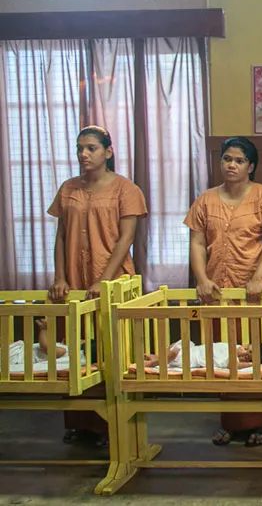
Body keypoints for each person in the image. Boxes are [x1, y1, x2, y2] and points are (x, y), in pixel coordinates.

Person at [184, 136, 262, 447]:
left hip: (259, 289)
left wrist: (258, 277)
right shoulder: (205, 200)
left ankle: (261, 423)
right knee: (225, 353)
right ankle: (231, 421)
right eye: (227, 159)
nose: (231, 165)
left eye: (239, 160)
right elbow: (197, 243)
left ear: (251, 166)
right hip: (219, 288)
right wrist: (202, 278)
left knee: (258, 352)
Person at [48, 125, 148, 447]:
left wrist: (104, 279)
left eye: (91, 148)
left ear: (108, 151)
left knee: (110, 349)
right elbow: (61, 236)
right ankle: (80, 423)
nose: (84, 154)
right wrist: (60, 277)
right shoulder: (68, 188)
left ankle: (112, 426)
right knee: (76, 348)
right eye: (80, 148)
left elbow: (126, 238)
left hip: (113, 279)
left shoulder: (125, 189)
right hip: (74, 279)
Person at [143, 342, 262, 370]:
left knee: (175, 352)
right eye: (247, 348)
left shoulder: (233, 360)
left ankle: (153, 363)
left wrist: (251, 364)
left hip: (191, 359)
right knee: (181, 343)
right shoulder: (235, 345)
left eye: (248, 356)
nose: (244, 352)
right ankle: (159, 357)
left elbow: (233, 366)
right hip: (194, 350)